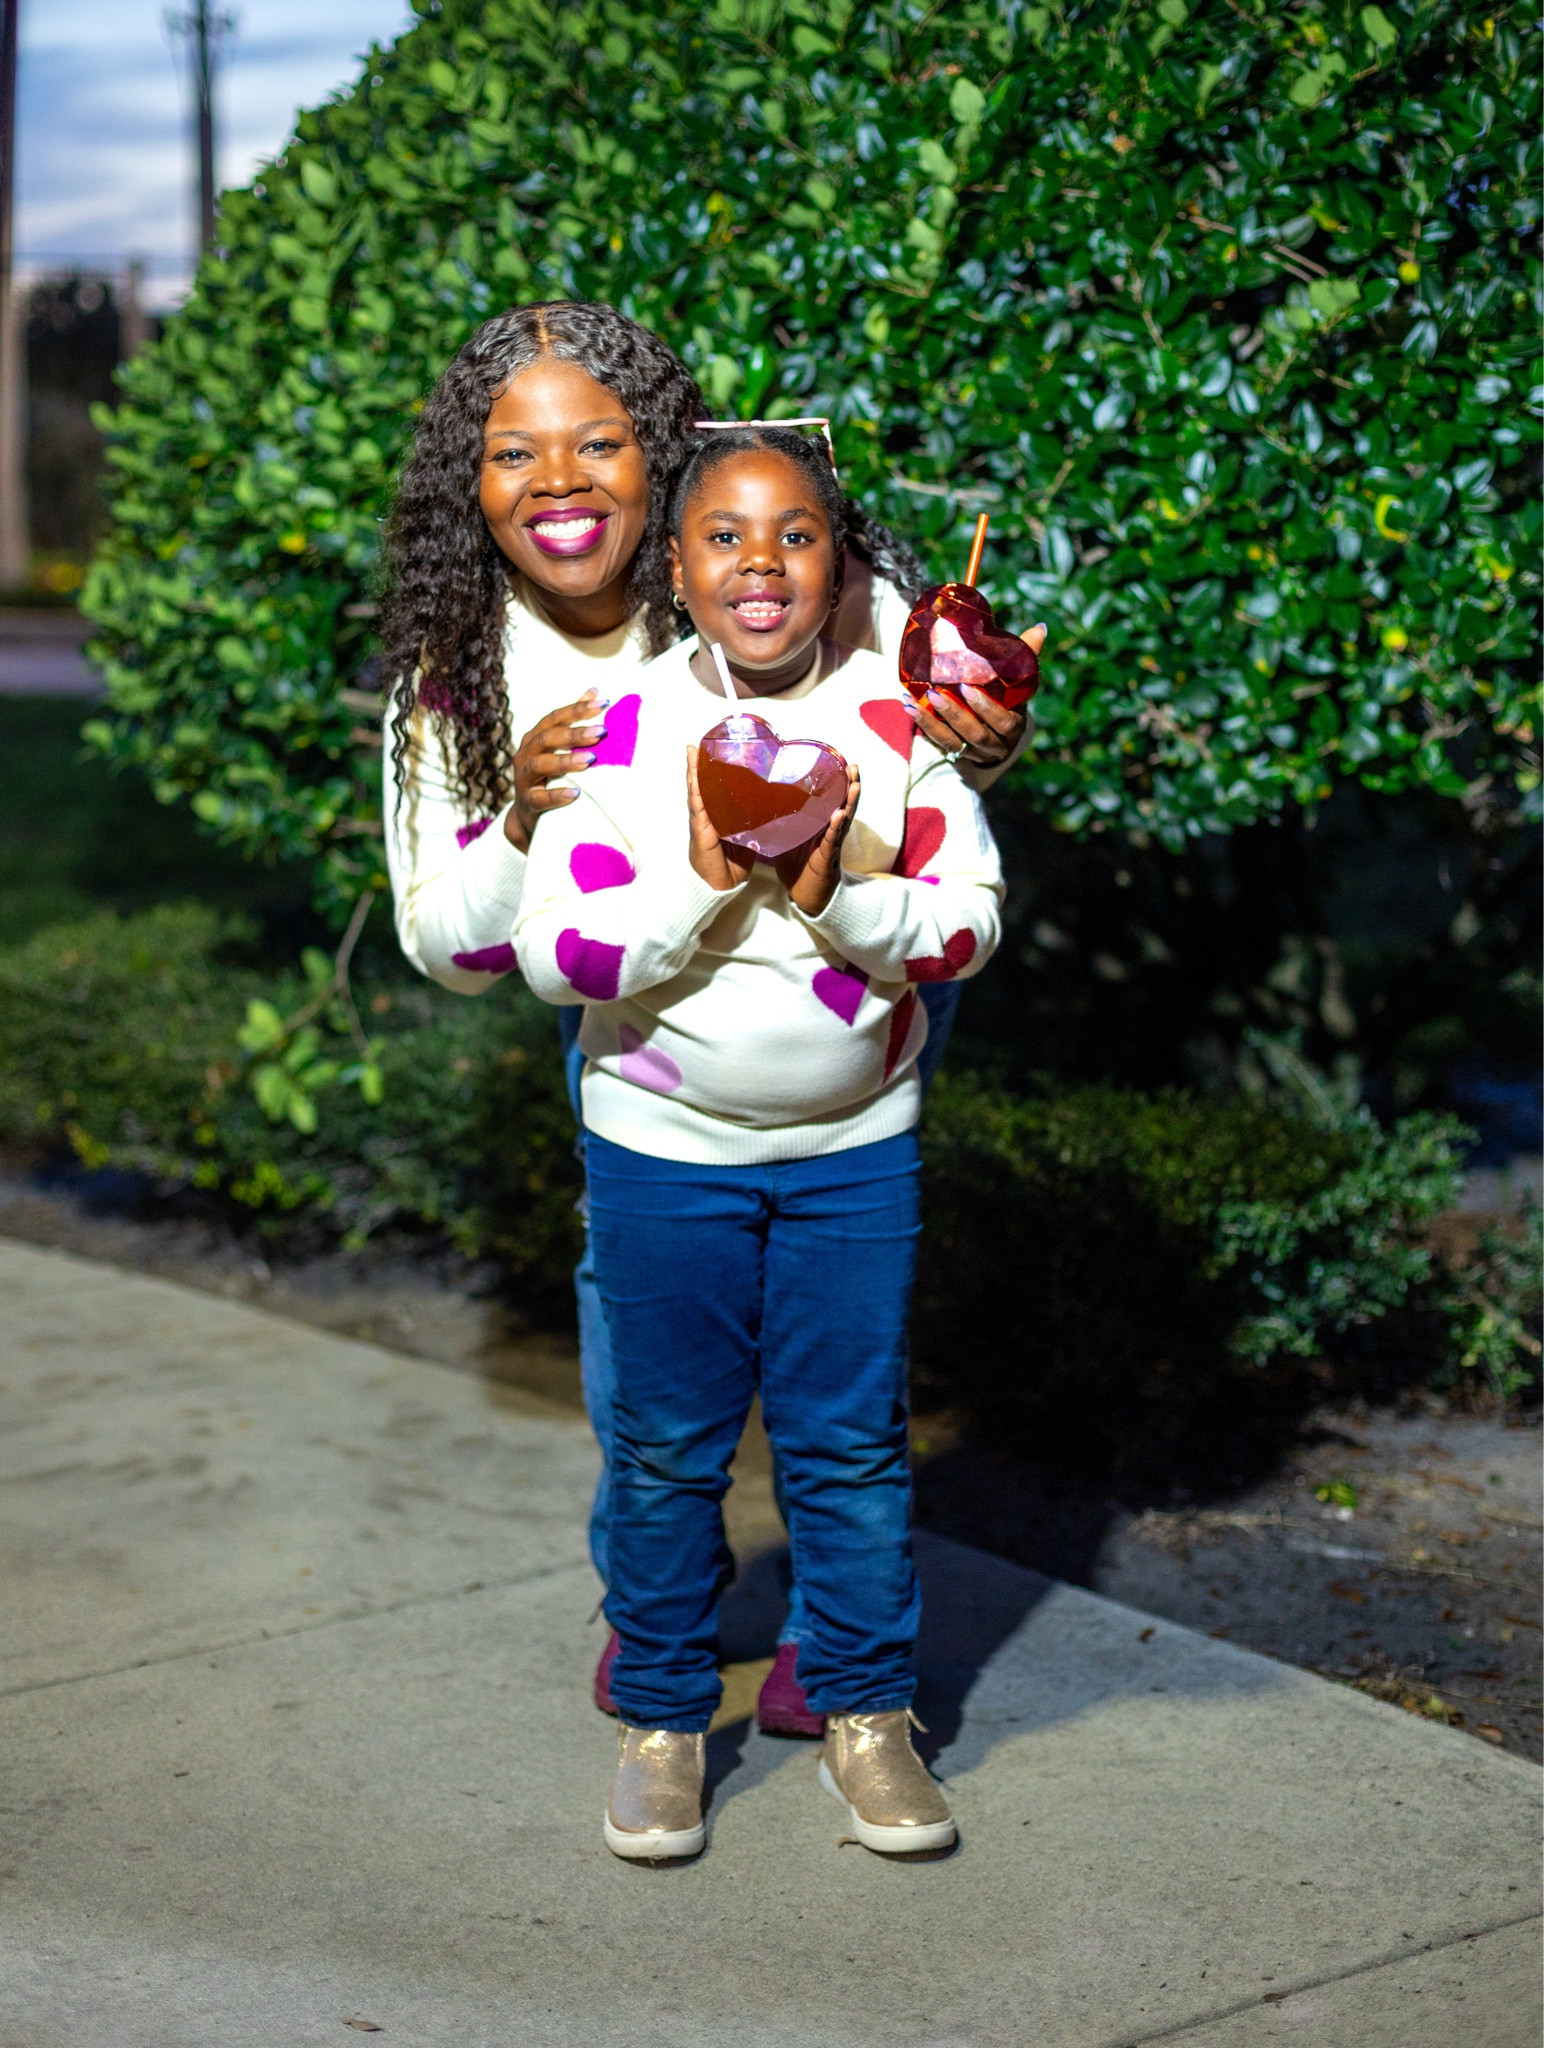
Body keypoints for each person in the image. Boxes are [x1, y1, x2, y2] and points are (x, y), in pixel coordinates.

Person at [378, 300, 1042, 1736]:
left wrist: (986, 720)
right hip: (645, 1018)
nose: (558, 480)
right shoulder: (467, 676)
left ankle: (834, 1635)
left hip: (853, 980)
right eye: (512, 454)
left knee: (839, 1387)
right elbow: (448, 940)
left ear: (665, 457)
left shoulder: (785, 563)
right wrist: (521, 812)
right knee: (649, 1377)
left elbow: (930, 736)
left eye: (600, 442)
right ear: (468, 486)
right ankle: (660, 1615)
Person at [514, 426, 1006, 1859]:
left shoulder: (897, 724)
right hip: (660, 1149)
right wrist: (708, 878)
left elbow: (968, 922)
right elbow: (559, 951)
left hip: (857, 1150)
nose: (761, 565)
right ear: (674, 565)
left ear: (840, 561)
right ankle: (664, 1724)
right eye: (723, 536)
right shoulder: (618, 728)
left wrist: (830, 888)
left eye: (795, 534)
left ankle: (867, 1721)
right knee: (665, 1453)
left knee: (847, 1449)